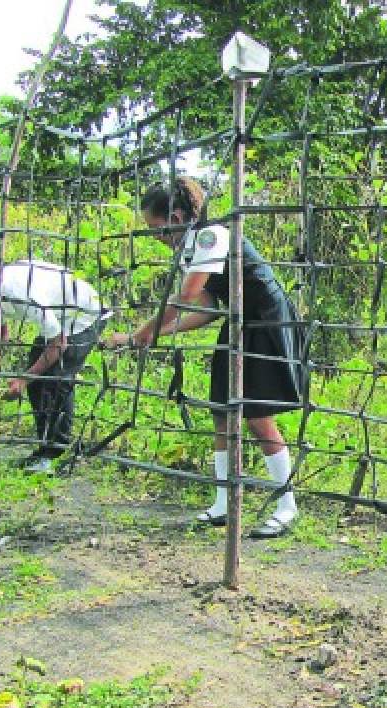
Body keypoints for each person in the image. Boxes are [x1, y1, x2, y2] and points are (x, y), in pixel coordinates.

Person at [105, 178, 304, 537]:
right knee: (223, 412)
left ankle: (286, 506)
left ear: (176, 216)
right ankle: (222, 503)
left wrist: (141, 332)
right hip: (239, 320)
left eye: (155, 227)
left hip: (266, 319)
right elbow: (208, 310)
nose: (154, 235)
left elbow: (185, 297)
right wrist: (151, 335)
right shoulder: (189, 249)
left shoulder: (210, 236)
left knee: (257, 416)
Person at [0, 260, 107, 473]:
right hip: (59, 320)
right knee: (37, 382)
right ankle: (45, 449)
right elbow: (0, 335)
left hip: (84, 316)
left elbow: (59, 344)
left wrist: (24, 379)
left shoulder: (24, 296)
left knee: (56, 379)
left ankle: (55, 455)